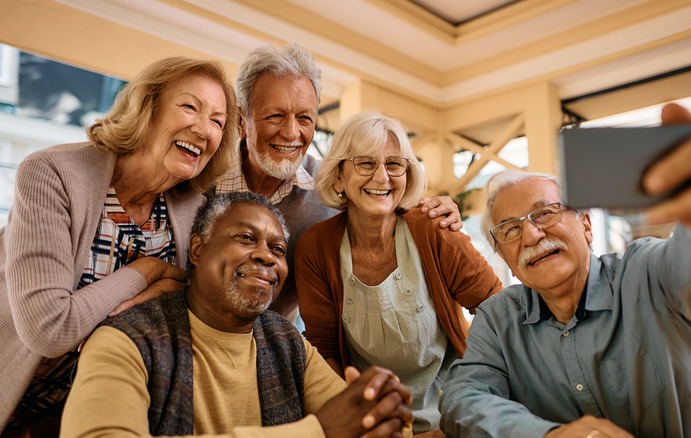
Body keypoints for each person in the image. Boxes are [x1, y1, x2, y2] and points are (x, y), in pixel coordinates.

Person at [438, 102, 691, 437]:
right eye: (510, 229)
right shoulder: (498, 318)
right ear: (505, 257)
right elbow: (462, 399)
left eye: (544, 213)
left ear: (586, 225)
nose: (531, 235)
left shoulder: (646, 273)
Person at [0, 57, 238, 434]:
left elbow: (193, 310)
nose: (203, 128)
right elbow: (49, 330)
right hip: (13, 401)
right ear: (148, 108)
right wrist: (149, 271)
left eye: (217, 121)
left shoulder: (194, 211)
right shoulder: (51, 173)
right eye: (190, 106)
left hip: (107, 410)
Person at [60, 191, 414, 438]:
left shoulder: (287, 342)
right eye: (246, 238)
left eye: (278, 249)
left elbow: (360, 420)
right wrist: (317, 432)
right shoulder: (125, 340)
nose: (267, 257)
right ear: (197, 249)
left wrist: (384, 409)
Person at [215, 43, 462, 324]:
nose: (291, 132)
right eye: (275, 115)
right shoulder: (201, 180)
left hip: (276, 347)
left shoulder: (335, 183)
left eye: (304, 118)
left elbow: (387, 203)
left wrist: (437, 211)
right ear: (240, 120)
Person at [296, 111, 504, 435]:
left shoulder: (433, 227)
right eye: (365, 163)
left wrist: (478, 387)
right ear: (338, 177)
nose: (382, 178)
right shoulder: (315, 247)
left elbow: (497, 309)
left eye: (394, 164)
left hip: (455, 413)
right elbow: (325, 350)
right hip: (375, 421)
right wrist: (357, 419)